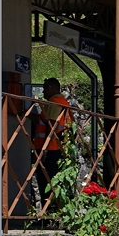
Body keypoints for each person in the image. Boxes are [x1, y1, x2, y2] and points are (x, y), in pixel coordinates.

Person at [30, 78, 71, 208]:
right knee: (56, 182)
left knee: (46, 182)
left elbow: (51, 127)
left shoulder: (54, 103)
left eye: (44, 88)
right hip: (59, 148)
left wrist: (44, 150)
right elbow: (43, 122)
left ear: (50, 88)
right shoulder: (63, 102)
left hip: (51, 150)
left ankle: (48, 213)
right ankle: (55, 211)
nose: (43, 91)